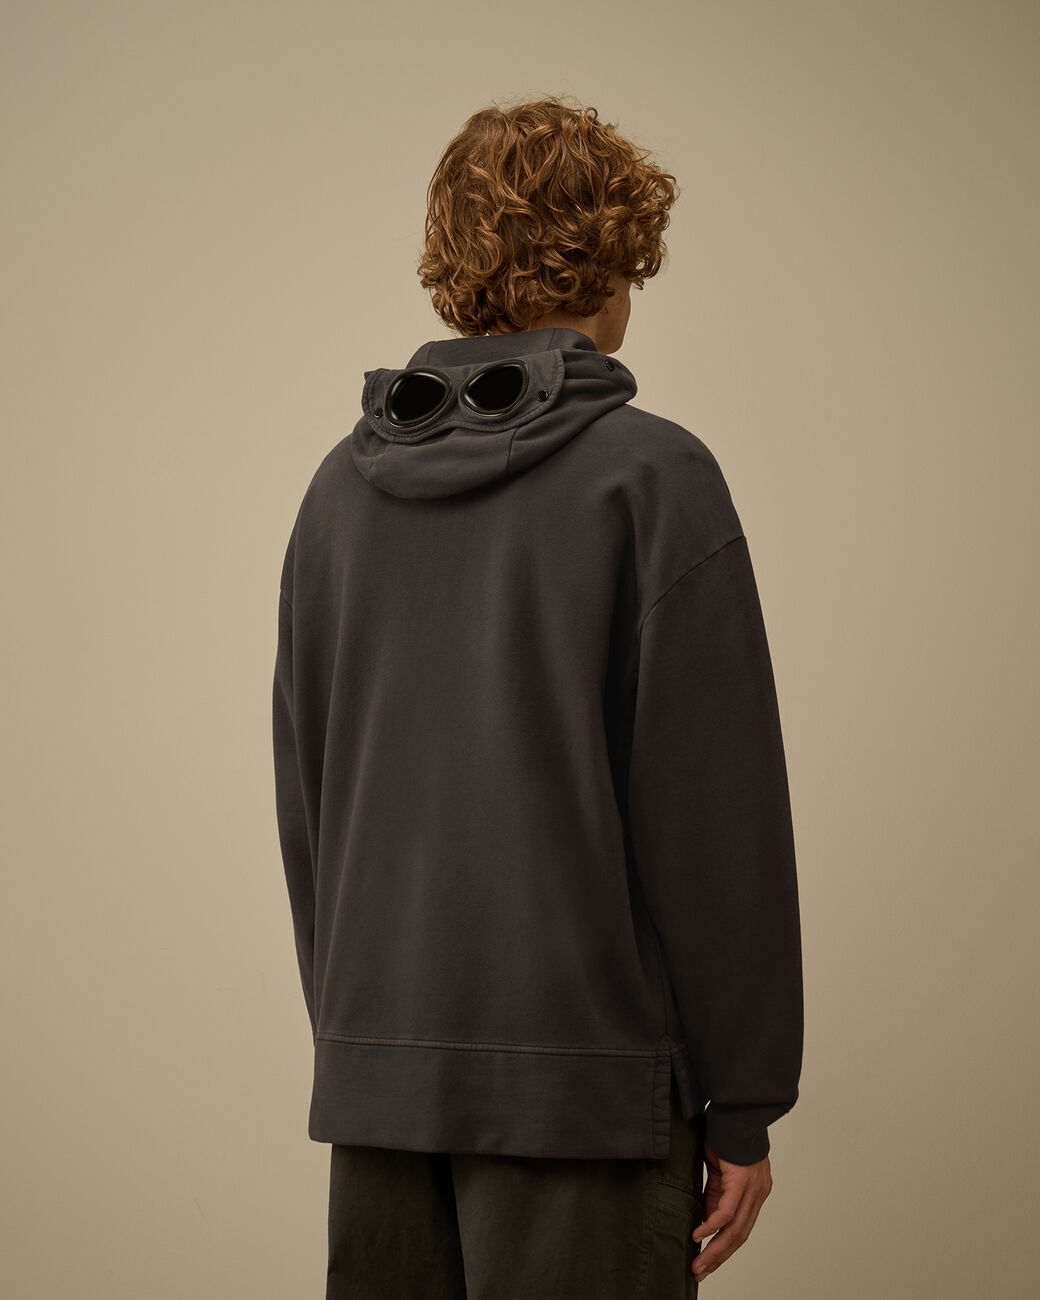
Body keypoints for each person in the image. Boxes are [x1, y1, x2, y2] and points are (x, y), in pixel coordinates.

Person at [272, 93, 804, 1299]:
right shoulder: (653, 479)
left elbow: (309, 807)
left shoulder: (336, 497)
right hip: (586, 1101)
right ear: (611, 260)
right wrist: (744, 1101)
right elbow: (713, 824)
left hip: (380, 1083)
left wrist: (367, 1042)